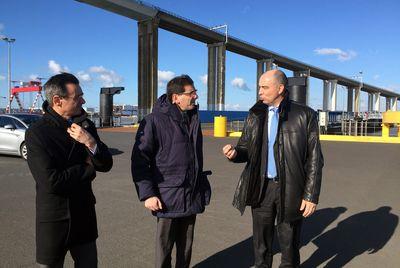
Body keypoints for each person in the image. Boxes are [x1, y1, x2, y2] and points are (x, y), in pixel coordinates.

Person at [222, 70, 323, 267]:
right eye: (259, 87)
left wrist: (310, 195)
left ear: (280, 88)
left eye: (264, 87)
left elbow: (315, 159)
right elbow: (245, 148)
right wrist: (235, 154)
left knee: (289, 247)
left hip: (291, 189)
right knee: (261, 246)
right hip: (261, 189)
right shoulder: (255, 114)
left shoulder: (305, 115)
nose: (259, 91)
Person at [26, 73, 113, 268]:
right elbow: (51, 181)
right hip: (54, 219)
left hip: (84, 214)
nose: (83, 100)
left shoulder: (86, 125)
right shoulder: (37, 133)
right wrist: (88, 169)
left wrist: (90, 142)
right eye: (78, 97)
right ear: (58, 100)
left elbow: (106, 164)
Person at [131, 75, 211, 268]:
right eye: (191, 93)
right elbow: (139, 160)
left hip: (192, 193)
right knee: (164, 250)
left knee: (186, 249)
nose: (196, 96)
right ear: (176, 97)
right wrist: (148, 194)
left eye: (195, 92)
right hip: (168, 197)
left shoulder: (192, 118)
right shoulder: (154, 121)